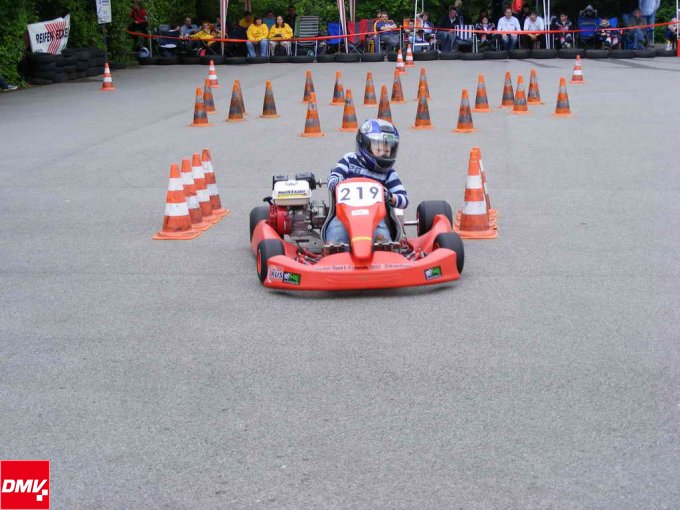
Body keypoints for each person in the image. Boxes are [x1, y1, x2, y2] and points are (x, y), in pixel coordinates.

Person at [325, 119, 408, 244]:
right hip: (343, 215)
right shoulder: (349, 160)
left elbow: (404, 200)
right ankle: (335, 249)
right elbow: (333, 177)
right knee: (336, 232)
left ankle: (383, 249)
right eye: (379, 149)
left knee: (381, 234)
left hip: (376, 217)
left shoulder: (389, 174)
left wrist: (389, 197)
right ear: (365, 145)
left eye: (387, 151)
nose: (383, 155)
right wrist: (337, 182)